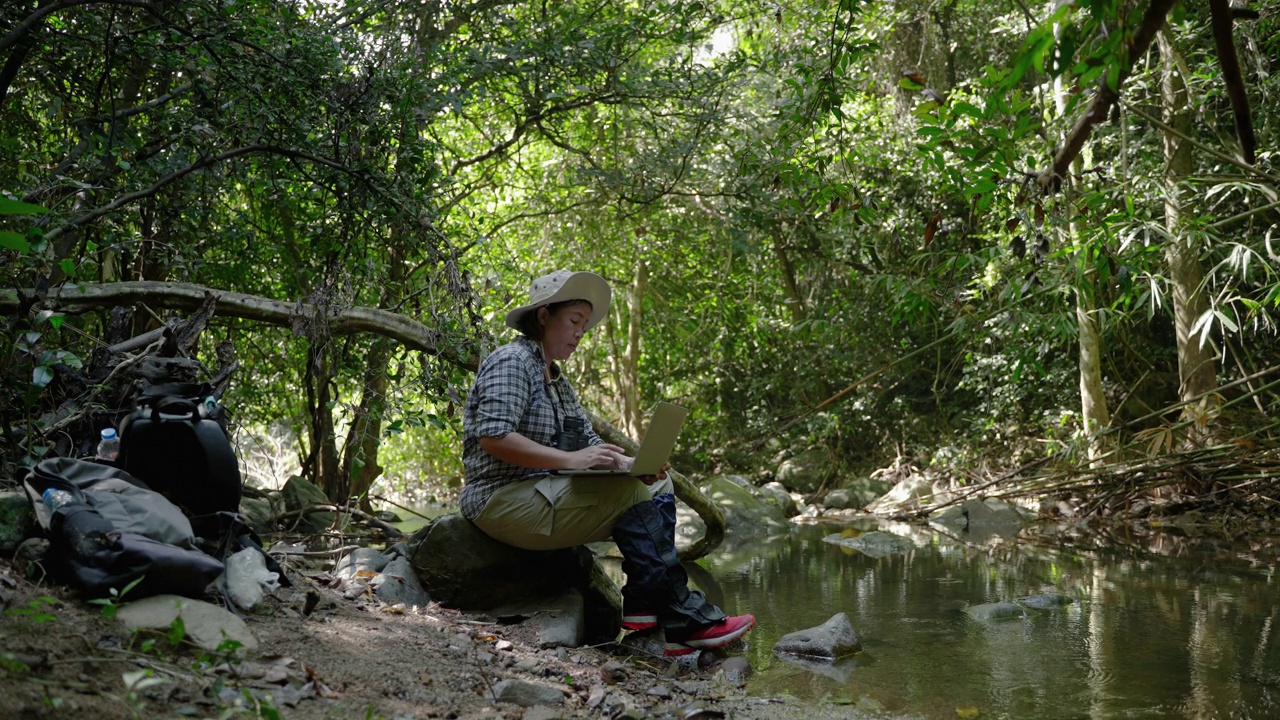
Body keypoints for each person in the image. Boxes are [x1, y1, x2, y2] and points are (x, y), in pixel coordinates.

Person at [460, 269, 754, 656]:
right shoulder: (512, 361)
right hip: (499, 499)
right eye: (574, 321)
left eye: (584, 325)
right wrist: (571, 459)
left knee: (655, 484)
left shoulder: (557, 381)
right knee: (632, 494)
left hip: (540, 495)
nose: (580, 333)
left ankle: (644, 603)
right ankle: (688, 619)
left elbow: (589, 442)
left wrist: (627, 462)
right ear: (544, 315)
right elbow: (494, 436)